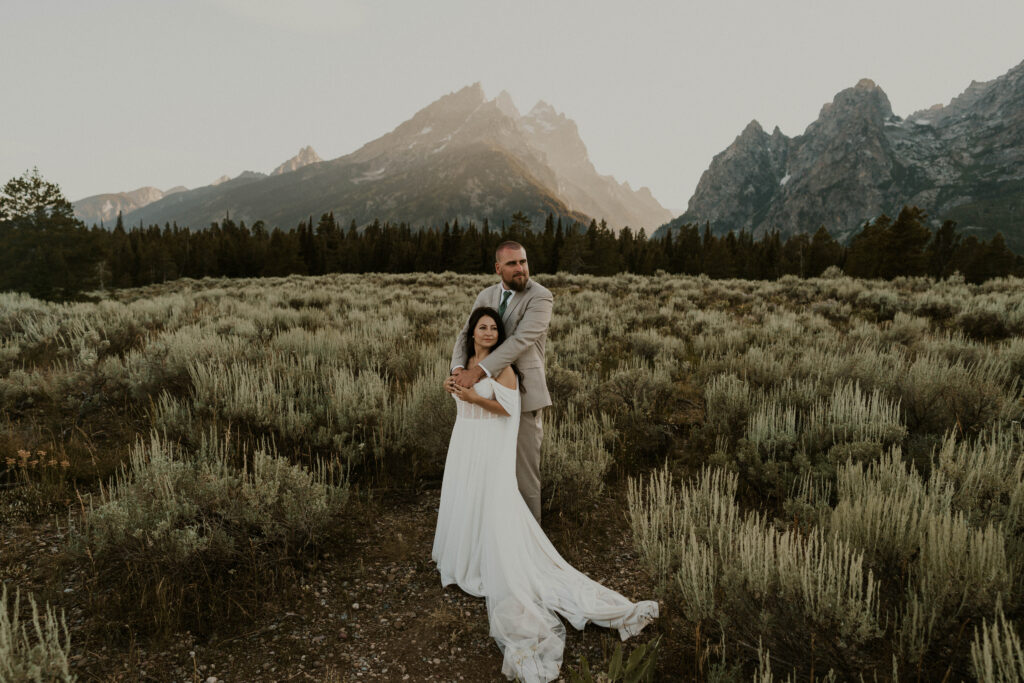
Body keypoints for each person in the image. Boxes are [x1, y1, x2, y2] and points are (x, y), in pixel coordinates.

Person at [433, 307, 659, 683]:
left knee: (491, 503)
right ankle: (466, 559)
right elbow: (464, 397)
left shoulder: (502, 367)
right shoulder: (466, 362)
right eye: (482, 327)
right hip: (465, 445)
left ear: (499, 335)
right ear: (471, 332)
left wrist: (473, 399)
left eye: (493, 328)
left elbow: (508, 410)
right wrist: (454, 389)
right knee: (465, 498)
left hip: (489, 446)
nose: (488, 332)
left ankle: (501, 571)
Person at [449, 241, 550, 523]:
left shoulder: (540, 297)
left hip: (525, 393)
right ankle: (490, 534)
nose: (521, 269)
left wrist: (477, 372)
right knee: (488, 471)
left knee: (524, 473)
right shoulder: (486, 294)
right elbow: (464, 334)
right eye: (512, 264)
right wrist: (458, 370)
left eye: (523, 262)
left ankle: (531, 542)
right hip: (485, 396)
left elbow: (520, 341)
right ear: (498, 268)